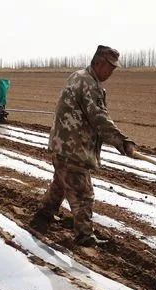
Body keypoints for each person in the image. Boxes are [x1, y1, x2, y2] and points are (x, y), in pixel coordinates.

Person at [33, 45, 137, 247]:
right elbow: (99, 119)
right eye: (110, 67)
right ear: (98, 63)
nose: (112, 72)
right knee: (83, 194)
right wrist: (122, 142)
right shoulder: (89, 84)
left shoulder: (78, 76)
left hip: (61, 145)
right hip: (72, 149)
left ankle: (44, 214)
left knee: (61, 184)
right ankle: (84, 236)